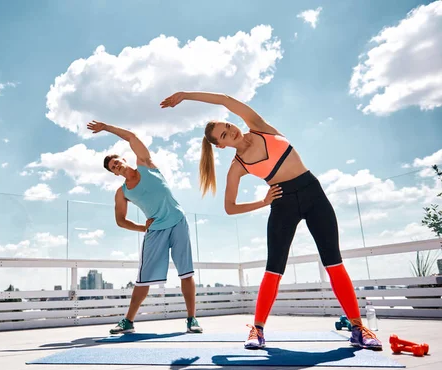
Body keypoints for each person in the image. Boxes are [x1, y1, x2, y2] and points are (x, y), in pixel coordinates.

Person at [159, 91, 382, 350]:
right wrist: (263, 202)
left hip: (313, 194)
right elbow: (229, 207)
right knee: (273, 269)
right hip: (282, 203)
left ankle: (358, 328)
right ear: (220, 146)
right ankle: (258, 330)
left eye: (228, 126)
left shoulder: (260, 127)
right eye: (223, 135)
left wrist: (186, 95)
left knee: (333, 261)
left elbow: (226, 100)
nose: (230, 131)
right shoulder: (238, 167)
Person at [87, 120, 203, 335]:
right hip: (155, 230)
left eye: (117, 162)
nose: (117, 166)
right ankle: (128, 321)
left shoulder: (146, 164)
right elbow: (120, 221)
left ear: (123, 159)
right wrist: (143, 228)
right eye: (113, 167)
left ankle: (191, 319)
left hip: (178, 221)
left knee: (186, 272)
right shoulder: (122, 193)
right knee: (144, 278)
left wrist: (106, 128)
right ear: (113, 173)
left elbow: (131, 137)